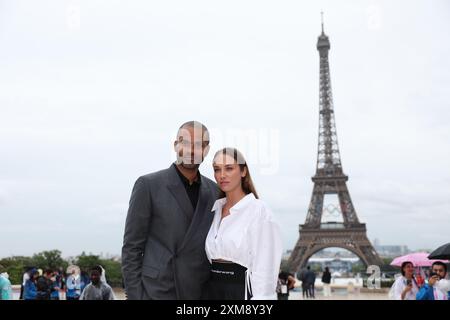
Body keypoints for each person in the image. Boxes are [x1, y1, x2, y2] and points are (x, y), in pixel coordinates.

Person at [122, 121, 218, 299]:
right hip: (157, 290)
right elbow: (132, 247)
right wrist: (136, 296)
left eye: (198, 144)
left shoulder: (215, 192)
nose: (191, 150)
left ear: (206, 149)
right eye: (186, 142)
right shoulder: (148, 185)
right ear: (176, 145)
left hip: (199, 291)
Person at [204, 148, 283, 300]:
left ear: (243, 171)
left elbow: (265, 269)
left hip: (241, 293)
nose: (222, 175)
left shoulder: (259, 211)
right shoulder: (215, 211)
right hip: (211, 292)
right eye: (217, 169)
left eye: (229, 168)